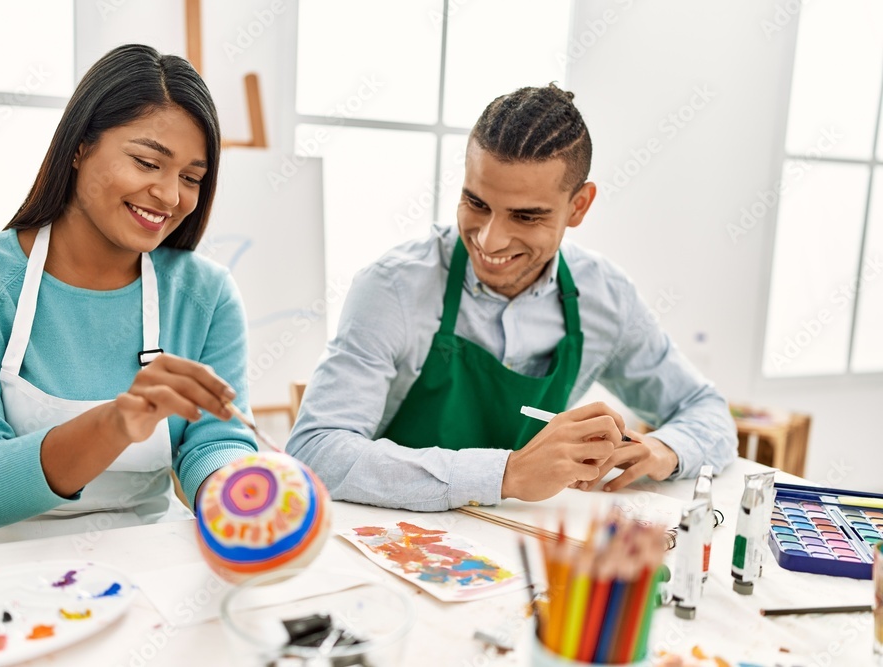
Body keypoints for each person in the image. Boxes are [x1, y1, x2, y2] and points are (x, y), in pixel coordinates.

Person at [287, 83, 737, 511]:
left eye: (525, 216)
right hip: (395, 537)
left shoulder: (606, 297)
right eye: (476, 203)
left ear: (578, 206)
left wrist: (667, 448)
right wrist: (507, 473)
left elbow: (706, 411)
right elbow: (316, 450)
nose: (490, 239)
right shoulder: (394, 288)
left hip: (519, 544)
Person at [0, 44, 257, 551]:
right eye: (146, 162)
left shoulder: (206, 294)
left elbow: (214, 442)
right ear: (79, 147)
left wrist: (242, 499)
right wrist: (114, 423)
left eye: (191, 178)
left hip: (140, 555)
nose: (171, 196)